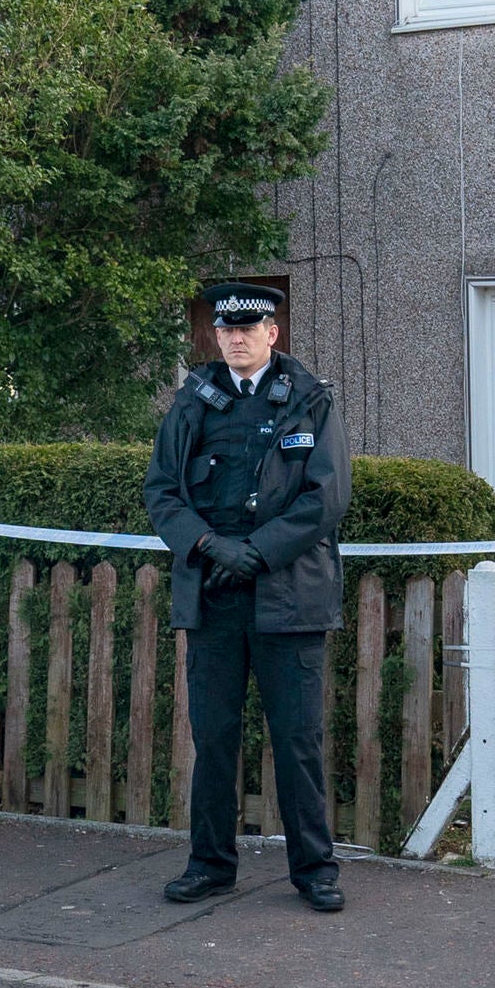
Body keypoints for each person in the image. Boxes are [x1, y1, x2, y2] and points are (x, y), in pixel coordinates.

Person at [142, 282, 352, 913]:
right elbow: (162, 493)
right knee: (214, 737)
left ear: (272, 335)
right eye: (224, 329)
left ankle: (315, 870)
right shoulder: (190, 406)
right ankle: (210, 865)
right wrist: (211, 547)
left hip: (288, 597)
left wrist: (254, 552)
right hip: (212, 594)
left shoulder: (310, 402)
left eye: (247, 329)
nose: (234, 338)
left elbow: (327, 497)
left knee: (297, 739)